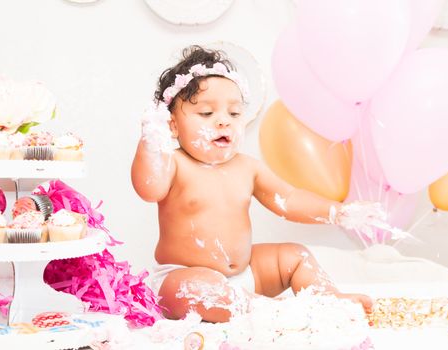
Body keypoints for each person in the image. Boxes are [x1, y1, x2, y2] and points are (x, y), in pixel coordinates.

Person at [132, 45, 386, 323]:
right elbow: (149, 188)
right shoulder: (174, 164)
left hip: (245, 273)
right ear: (172, 126)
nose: (223, 122)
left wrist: (337, 212)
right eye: (206, 114)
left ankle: (325, 297)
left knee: (294, 255)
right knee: (196, 288)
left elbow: (288, 200)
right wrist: (150, 143)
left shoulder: (246, 166)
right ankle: (269, 310)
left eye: (234, 113)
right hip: (184, 276)